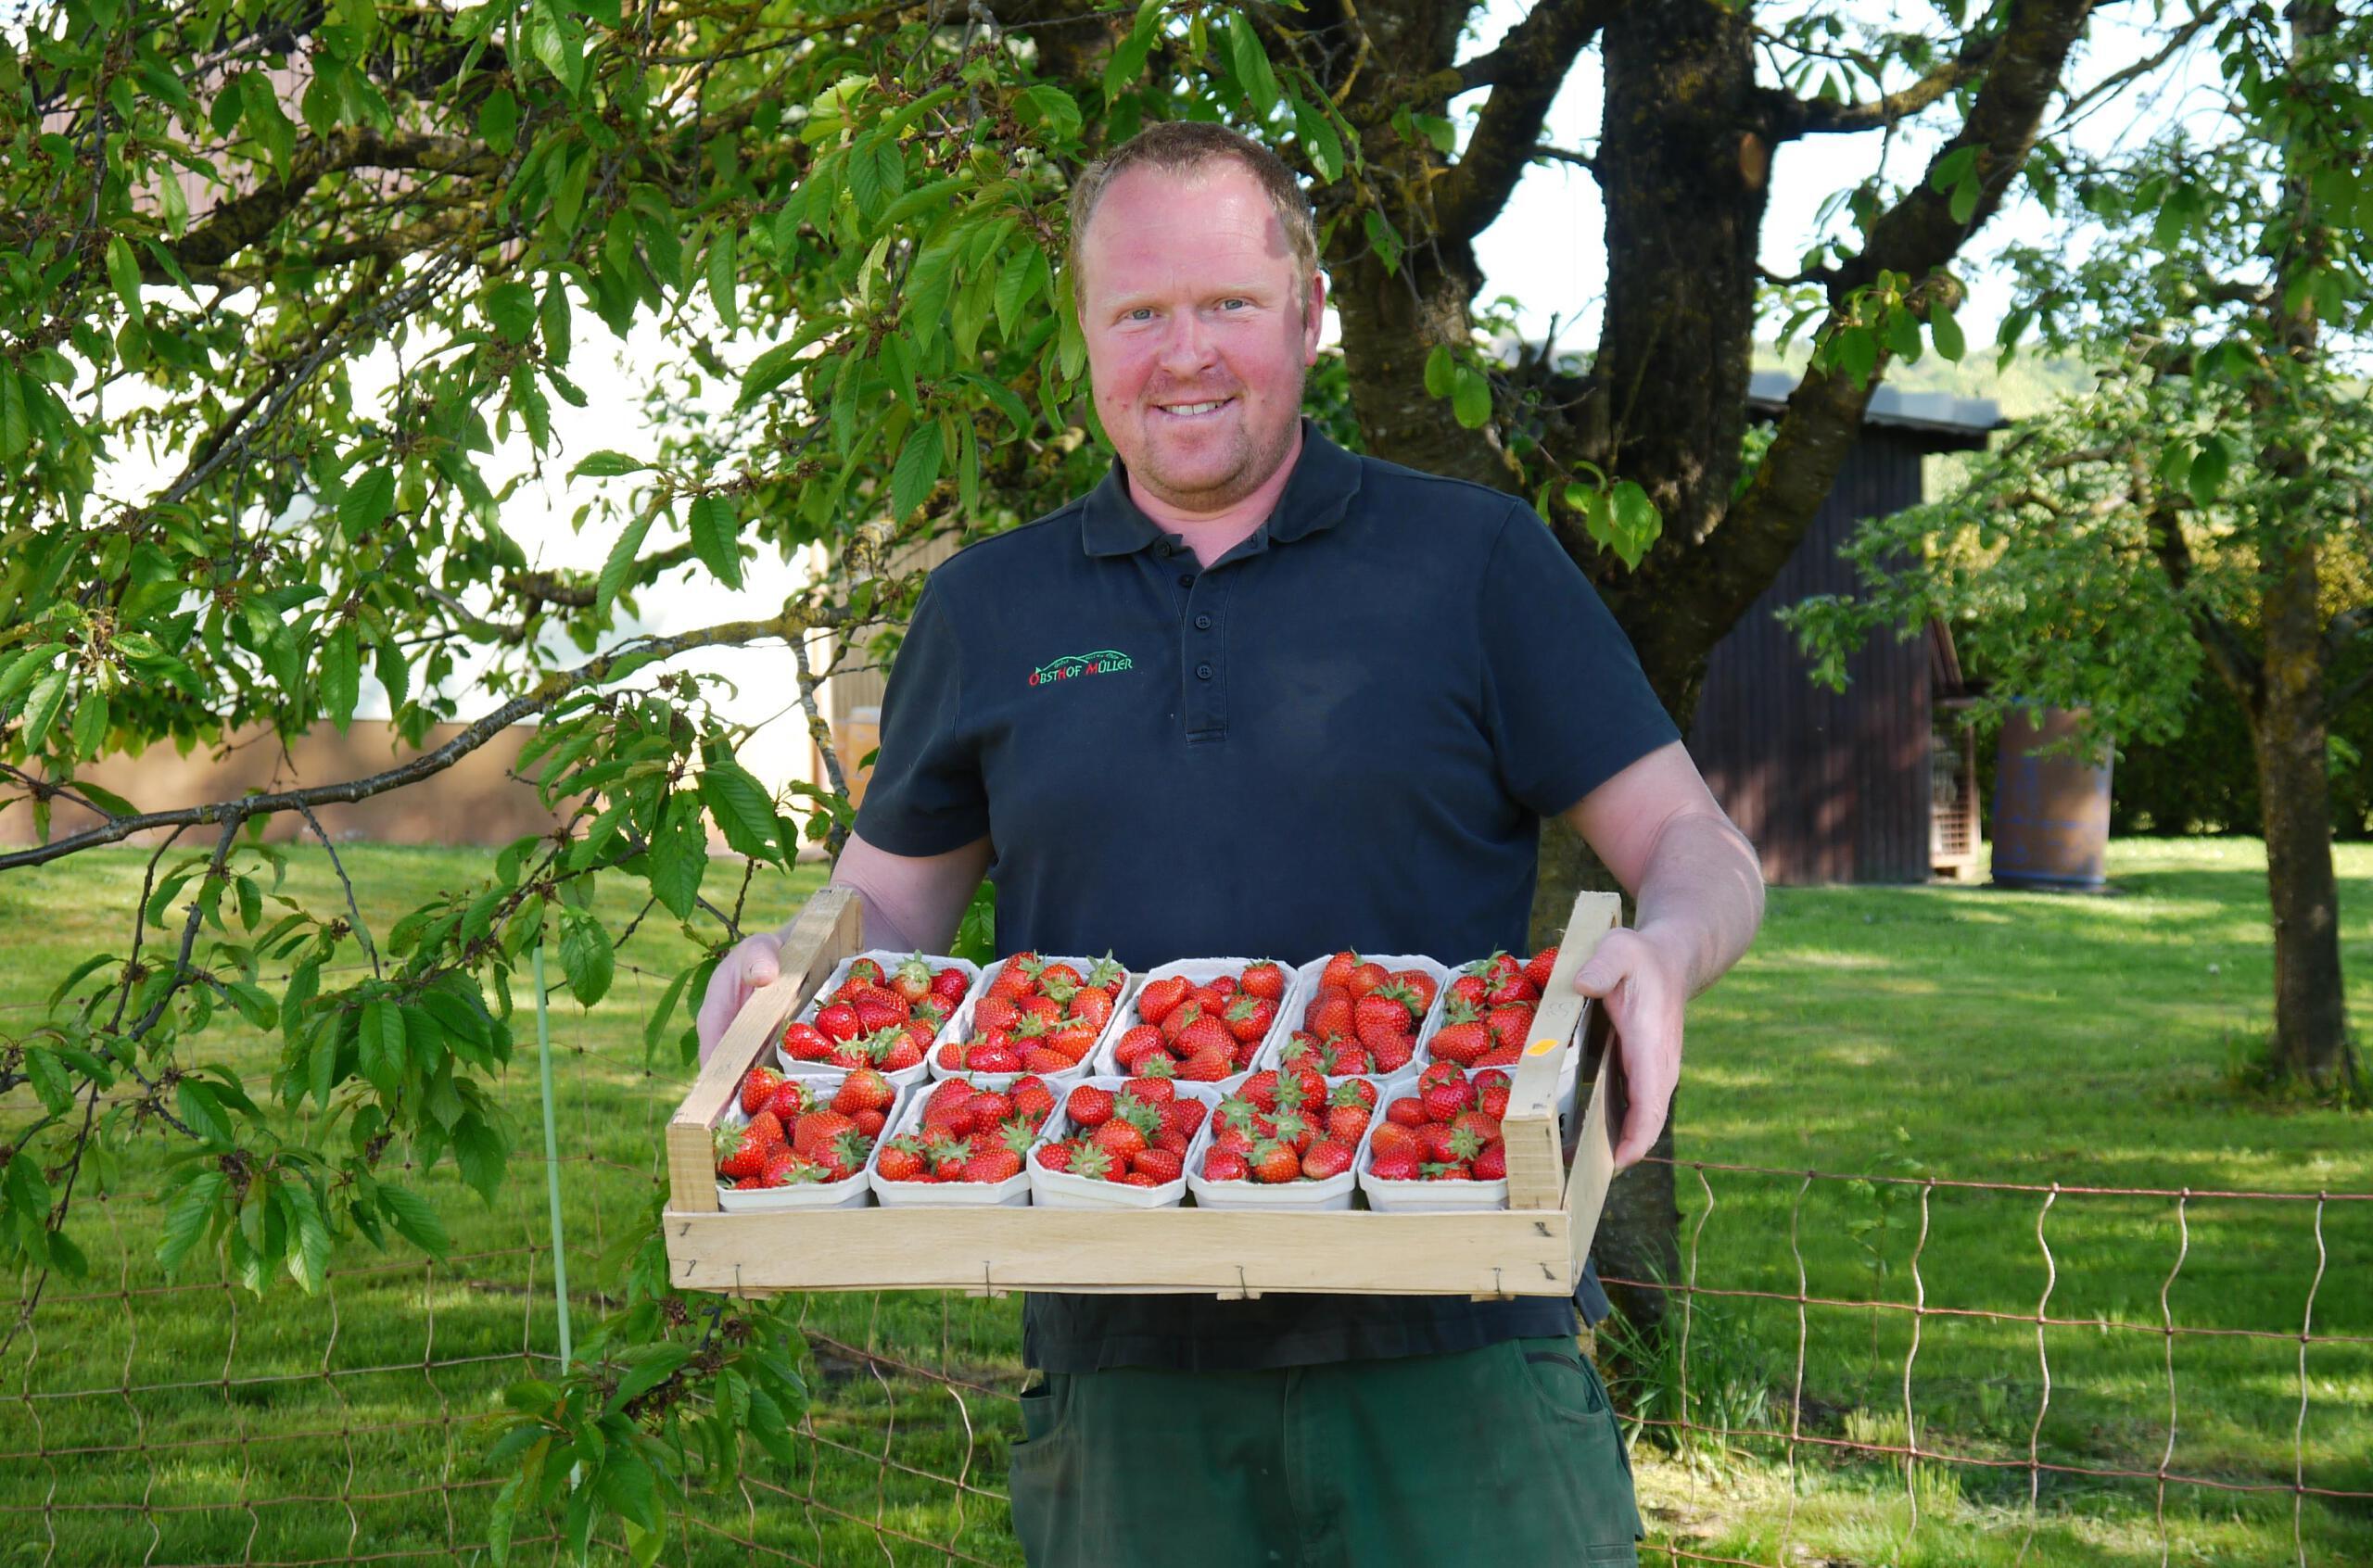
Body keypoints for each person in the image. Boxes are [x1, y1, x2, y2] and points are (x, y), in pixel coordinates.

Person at [696, 120, 1766, 1568]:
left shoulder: (1475, 563)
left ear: (1311, 316)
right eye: (1139, 311)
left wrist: (1667, 951)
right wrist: (788, 965)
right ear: (1084, 331)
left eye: (1227, 306)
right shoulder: (988, 609)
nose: (1182, 354)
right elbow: (886, 913)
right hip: (1124, 1363)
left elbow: (1696, 844)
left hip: (1459, 1348)